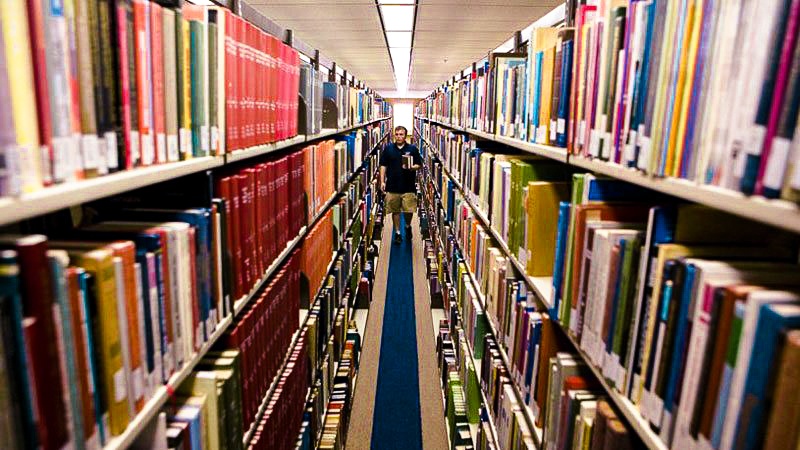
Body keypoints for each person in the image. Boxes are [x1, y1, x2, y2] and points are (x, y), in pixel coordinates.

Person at [379, 126, 423, 244]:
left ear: (405, 135)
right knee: (395, 211)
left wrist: (411, 167)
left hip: (408, 186)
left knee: (409, 211)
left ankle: (408, 226)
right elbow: (383, 166)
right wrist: (382, 181)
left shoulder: (412, 149)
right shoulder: (388, 149)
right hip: (392, 186)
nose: (399, 136)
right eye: (397, 134)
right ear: (394, 135)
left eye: (401, 134)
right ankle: (397, 233)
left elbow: (419, 165)